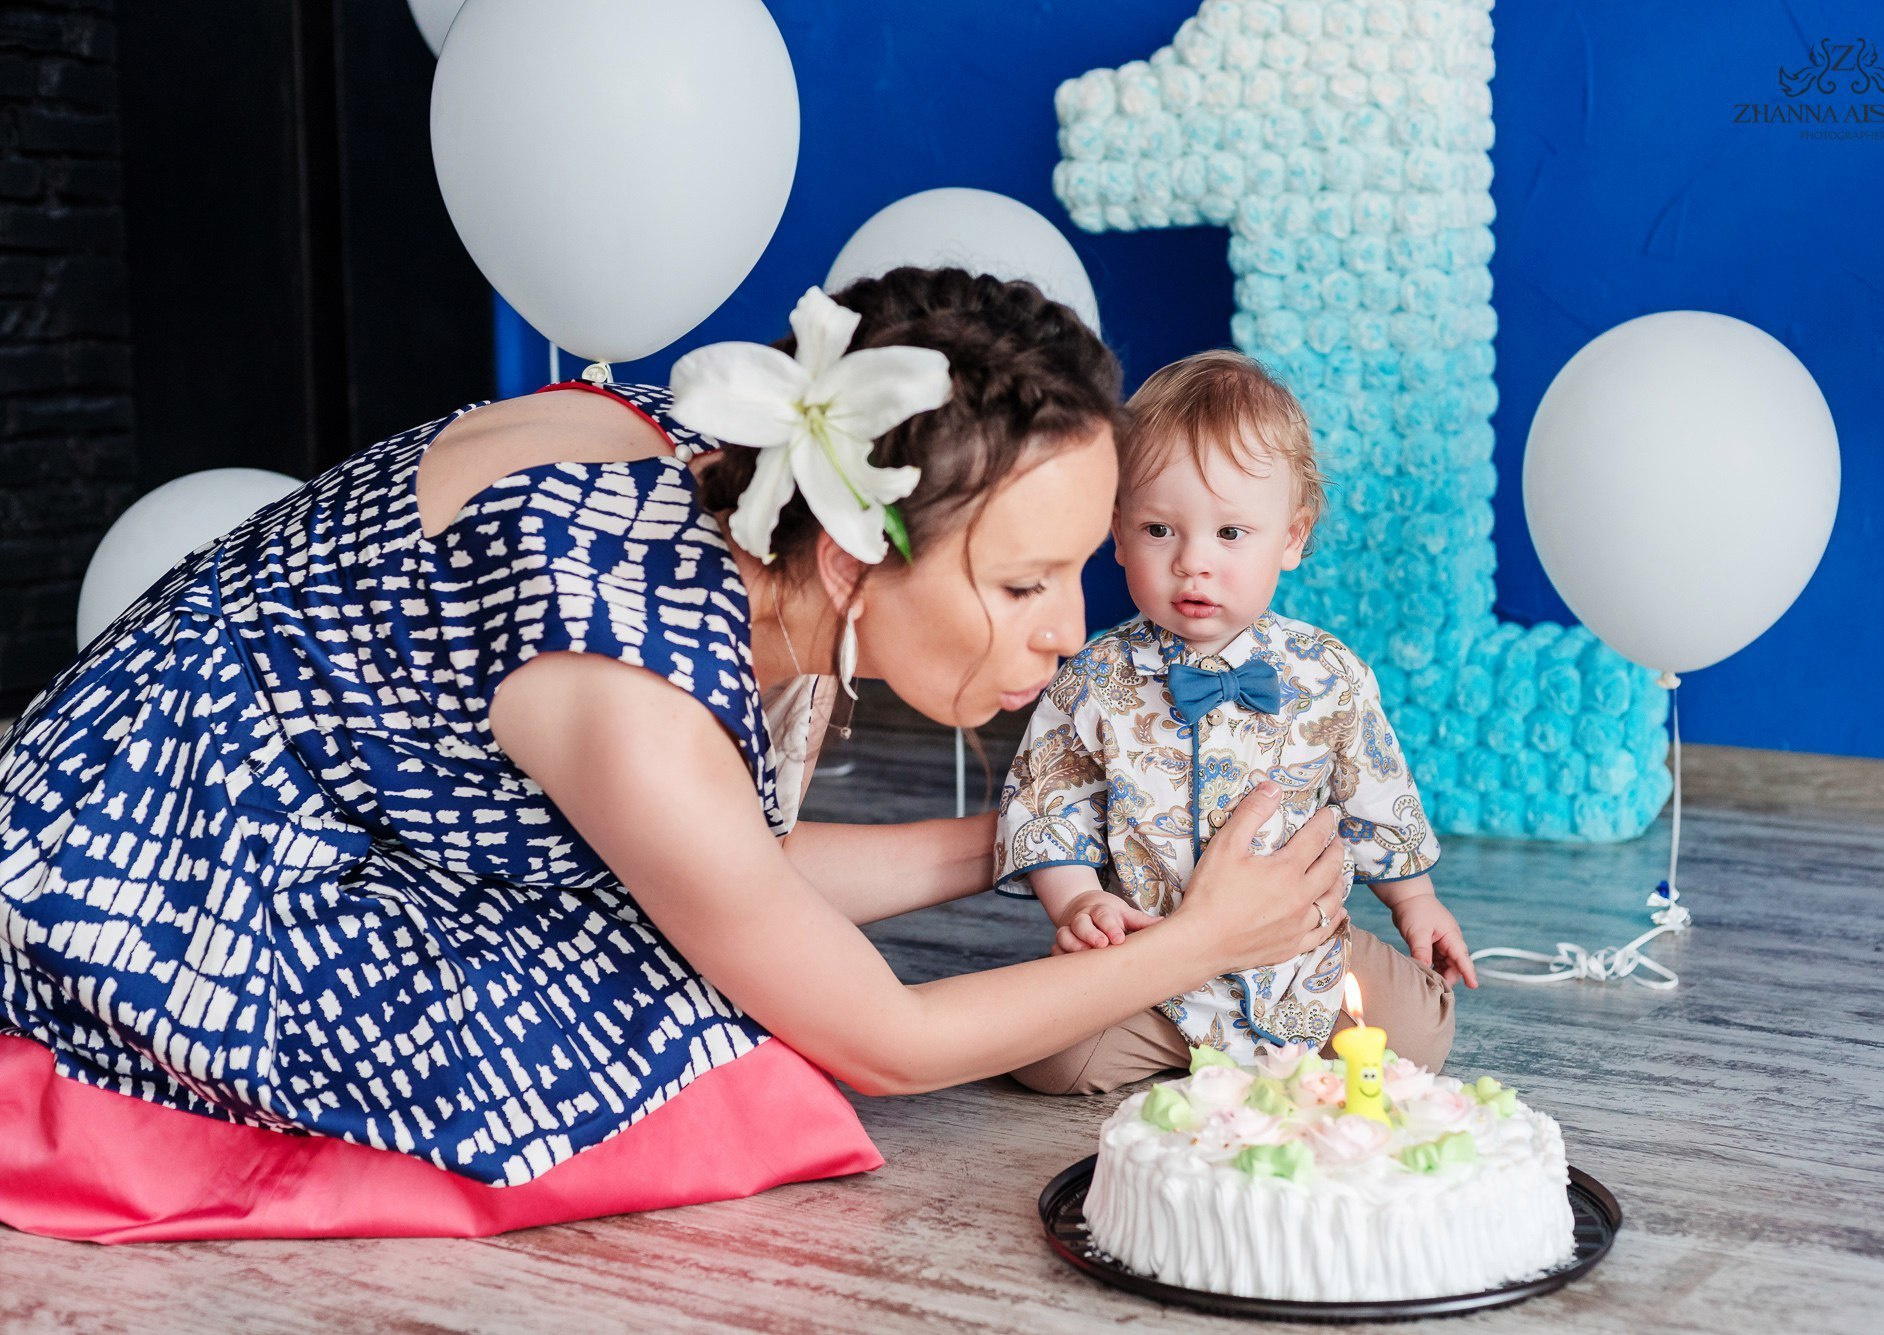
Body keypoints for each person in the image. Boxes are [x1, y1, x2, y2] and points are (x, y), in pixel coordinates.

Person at [0, 270, 1349, 1243]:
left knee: (726, 956)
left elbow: (734, 856)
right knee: (714, 1068)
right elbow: (887, 1040)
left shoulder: (756, 465)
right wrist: (1201, 938)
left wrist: (1046, 836)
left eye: (1075, 565)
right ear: (854, 555)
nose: (1067, 627)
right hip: (161, 860)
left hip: (354, 774)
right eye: (1021, 581)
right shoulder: (622, 689)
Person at [997, 350, 1477, 1097]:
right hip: (1148, 969)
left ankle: (1290, 1031)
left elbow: (1376, 793)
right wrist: (1081, 902)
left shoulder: (1329, 673)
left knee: (1417, 1037)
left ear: (1290, 537)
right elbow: (1049, 808)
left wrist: (1417, 902)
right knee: (1047, 1059)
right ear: (1116, 533)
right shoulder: (1090, 681)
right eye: (1160, 529)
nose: (1193, 562)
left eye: (1230, 533)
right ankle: (1182, 1044)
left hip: (1299, 958)